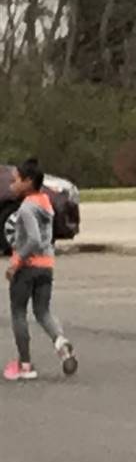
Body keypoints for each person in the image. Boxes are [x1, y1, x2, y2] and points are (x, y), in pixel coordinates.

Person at [4, 159, 77, 383]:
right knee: (42, 311)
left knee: (18, 313)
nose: (11, 185)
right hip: (47, 266)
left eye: (15, 180)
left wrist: (17, 261)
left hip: (27, 268)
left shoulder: (26, 208)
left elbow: (34, 239)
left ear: (28, 182)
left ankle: (25, 364)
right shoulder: (46, 203)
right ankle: (60, 343)